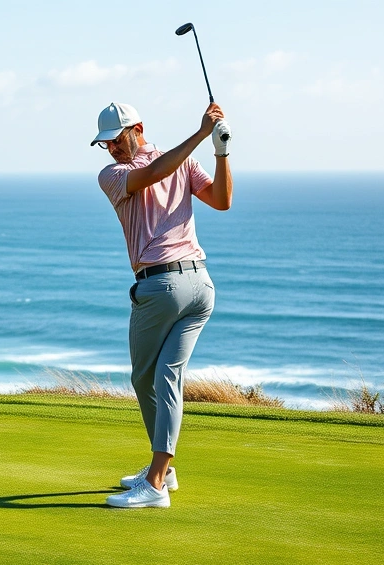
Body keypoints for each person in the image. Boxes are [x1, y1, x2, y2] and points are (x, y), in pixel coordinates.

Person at [91, 101, 233, 508]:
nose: (113, 149)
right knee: (160, 378)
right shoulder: (114, 174)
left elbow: (221, 199)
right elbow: (155, 172)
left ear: (139, 128)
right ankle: (162, 471)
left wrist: (221, 153)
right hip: (199, 287)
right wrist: (201, 137)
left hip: (164, 288)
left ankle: (155, 483)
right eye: (107, 144)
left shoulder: (182, 162)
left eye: (118, 140)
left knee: (151, 379)